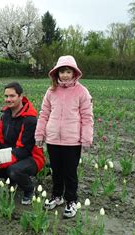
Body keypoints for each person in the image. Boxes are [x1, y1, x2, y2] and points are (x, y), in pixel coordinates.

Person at [34, 55, 94, 218]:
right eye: (62, 72)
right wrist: (40, 133)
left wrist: (86, 137)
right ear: (57, 73)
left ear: (74, 73)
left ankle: (71, 200)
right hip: (53, 139)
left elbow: (87, 116)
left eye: (68, 71)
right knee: (56, 170)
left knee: (70, 172)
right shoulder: (51, 91)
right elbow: (44, 113)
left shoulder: (81, 91)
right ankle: (57, 196)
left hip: (72, 141)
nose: (65, 75)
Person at [0, 82, 45, 204]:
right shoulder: (6, 115)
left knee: (14, 170)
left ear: (21, 97)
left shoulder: (29, 119)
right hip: (10, 153)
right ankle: (12, 180)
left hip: (31, 157)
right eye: (6, 96)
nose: (8, 99)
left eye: (12, 96)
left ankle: (29, 189)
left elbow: (24, 150)